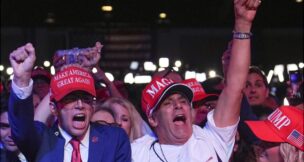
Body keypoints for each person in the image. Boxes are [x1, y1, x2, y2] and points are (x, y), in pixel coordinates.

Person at [132, 1, 261, 161]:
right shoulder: (138, 152)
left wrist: (243, 25)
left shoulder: (210, 139)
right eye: (168, 103)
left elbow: (234, 88)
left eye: (183, 101)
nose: (178, 105)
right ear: (152, 119)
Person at [8, 43, 131, 162]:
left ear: (93, 106)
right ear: (53, 108)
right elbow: (22, 130)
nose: (80, 105)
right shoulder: (42, 140)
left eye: (86, 99)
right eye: (70, 99)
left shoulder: (114, 139)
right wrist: (22, 80)